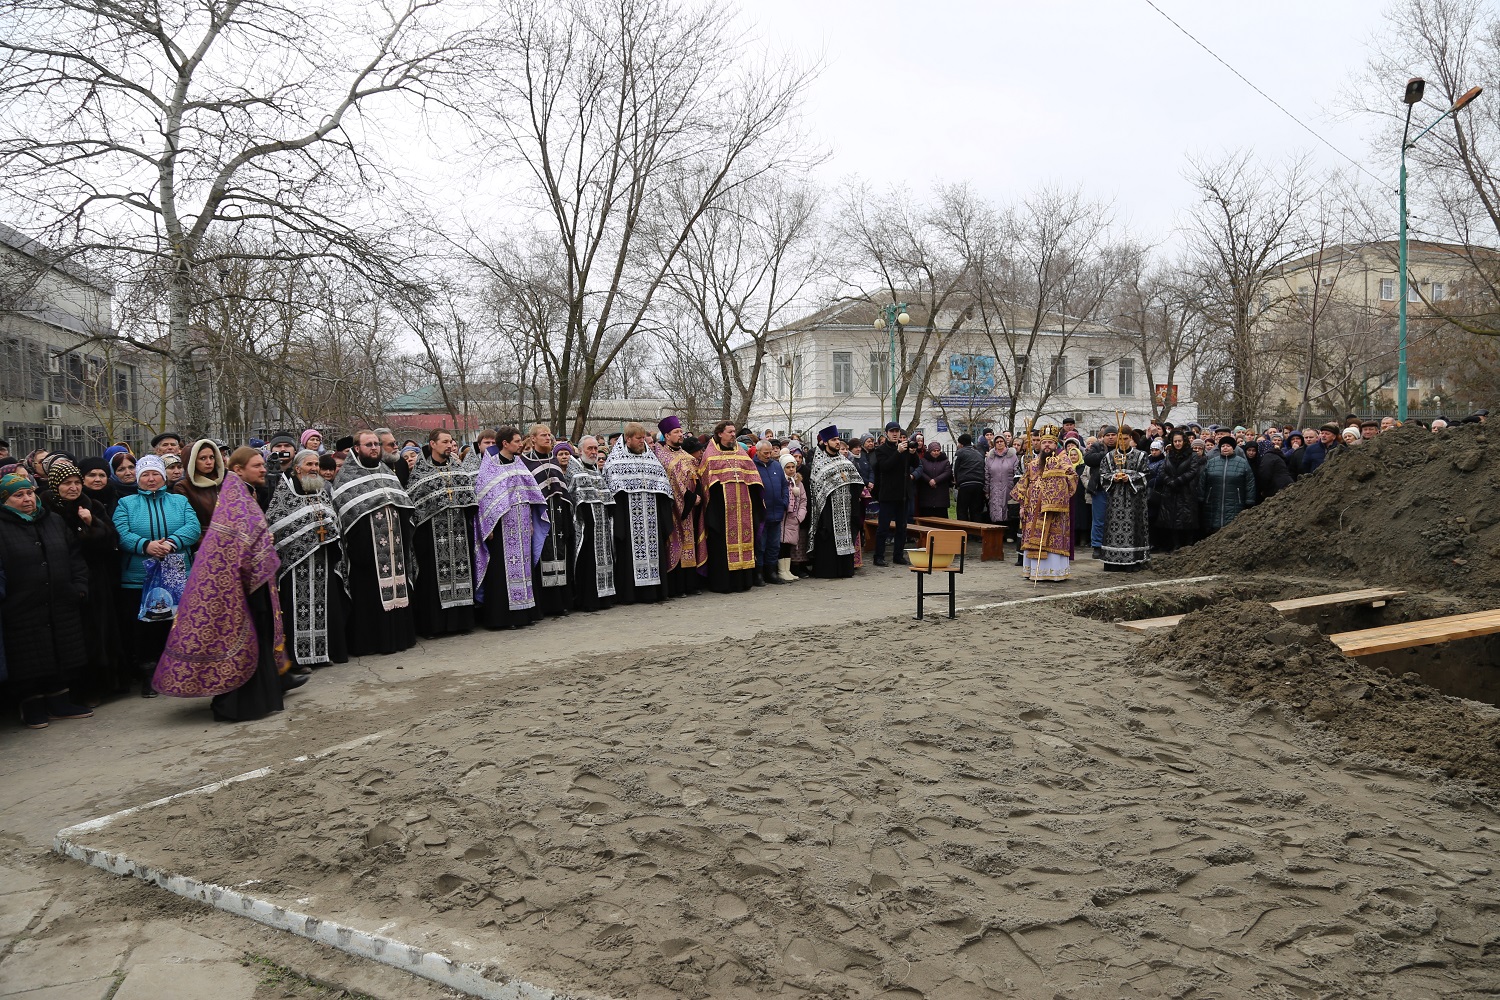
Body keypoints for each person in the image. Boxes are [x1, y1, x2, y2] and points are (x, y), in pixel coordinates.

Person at [153, 448, 294, 721]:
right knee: (244, 638)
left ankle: (261, 697)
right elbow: (238, 541)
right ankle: (236, 705)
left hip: (252, 580)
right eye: (256, 466)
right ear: (238, 469)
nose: (263, 469)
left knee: (259, 636)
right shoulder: (234, 498)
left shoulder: (242, 493)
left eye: (263, 465)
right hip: (241, 584)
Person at [0, 471, 93, 728]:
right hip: (20, 605)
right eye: (18, 495)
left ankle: (60, 702)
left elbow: (75, 557)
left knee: (60, 649)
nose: (27, 499)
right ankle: (31, 705)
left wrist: (79, 587)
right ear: (4, 500)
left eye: (29, 493)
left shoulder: (52, 520)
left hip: (61, 599)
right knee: (27, 657)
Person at [112, 455, 202, 697]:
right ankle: (149, 674)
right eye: (145, 475)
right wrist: (146, 546)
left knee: (174, 623)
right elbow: (121, 533)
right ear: (138, 478)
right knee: (144, 628)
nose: (151, 479)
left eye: (155, 474)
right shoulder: (126, 504)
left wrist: (171, 543)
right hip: (139, 575)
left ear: (163, 476)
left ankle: (178, 671)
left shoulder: (179, 501)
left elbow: (193, 527)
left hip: (176, 571)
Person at [44, 459, 124, 702]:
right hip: (60, 579)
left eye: (77, 482)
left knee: (97, 632)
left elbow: (112, 540)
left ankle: (100, 686)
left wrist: (92, 524)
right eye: (67, 483)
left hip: (94, 578)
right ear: (55, 484)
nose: (73, 487)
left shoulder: (92, 506)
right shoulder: (46, 507)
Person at [331, 430, 416, 655]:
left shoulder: (387, 473)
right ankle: (372, 642)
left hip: (395, 547)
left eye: (376, 444)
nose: (374, 448)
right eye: (368, 444)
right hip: (365, 552)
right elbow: (344, 515)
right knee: (370, 594)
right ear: (356, 449)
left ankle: (400, 637)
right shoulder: (346, 478)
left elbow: (404, 505)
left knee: (397, 588)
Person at [265, 446, 349, 669]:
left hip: (323, 559)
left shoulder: (322, 491)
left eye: (316, 464)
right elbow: (277, 523)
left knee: (325, 606)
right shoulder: (285, 492)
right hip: (295, 562)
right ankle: (299, 658)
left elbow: (333, 520)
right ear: (297, 468)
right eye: (309, 464)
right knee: (295, 609)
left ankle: (323, 653)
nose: (314, 468)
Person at [473, 427, 549, 629]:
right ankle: (503, 617)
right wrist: (486, 527)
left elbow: (530, 495)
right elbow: (483, 498)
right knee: (501, 571)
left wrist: (531, 521)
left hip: (522, 526)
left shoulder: (519, 463)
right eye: (516, 441)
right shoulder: (490, 467)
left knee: (524, 568)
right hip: (501, 527)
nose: (520, 444)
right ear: (505, 443)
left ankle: (525, 613)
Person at [405, 430, 478, 638]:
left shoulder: (458, 469)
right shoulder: (421, 472)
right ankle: (434, 626)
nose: (449, 445)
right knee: (432, 578)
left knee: (461, 571)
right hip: (431, 535)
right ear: (432, 444)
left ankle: (461, 622)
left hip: (459, 532)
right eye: (445, 441)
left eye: (450, 441)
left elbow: (470, 498)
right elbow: (415, 503)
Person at [602, 423, 674, 603]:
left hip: (652, 520)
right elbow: (612, 495)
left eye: (644, 438)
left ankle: (655, 592)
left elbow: (664, 491)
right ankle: (630, 594)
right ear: (628, 439)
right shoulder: (615, 462)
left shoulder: (652, 461)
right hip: (628, 521)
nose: (643, 441)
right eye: (638, 438)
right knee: (628, 556)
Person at [697, 421, 763, 593]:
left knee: (745, 541)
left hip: (744, 510)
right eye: (730, 432)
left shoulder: (741, 453)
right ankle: (723, 584)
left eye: (734, 431)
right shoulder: (710, 455)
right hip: (721, 512)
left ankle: (743, 581)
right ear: (720, 433)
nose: (733, 434)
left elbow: (753, 478)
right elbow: (706, 486)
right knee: (721, 546)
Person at [1011, 427, 1078, 582]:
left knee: (1052, 539)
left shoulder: (1063, 461)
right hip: (1033, 510)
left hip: (1054, 512)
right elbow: (1023, 484)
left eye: (1050, 442)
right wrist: (1022, 505)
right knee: (1032, 538)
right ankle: (1034, 571)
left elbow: (1073, 479)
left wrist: (1054, 496)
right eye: (1044, 442)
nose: (1047, 445)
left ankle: (1054, 572)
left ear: (1056, 444)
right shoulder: (1034, 463)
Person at [650, 416, 702, 597]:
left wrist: (697, 496)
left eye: (681, 431)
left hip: (690, 508)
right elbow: (670, 483)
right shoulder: (661, 456)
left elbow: (697, 477)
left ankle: (690, 584)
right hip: (672, 509)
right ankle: (676, 587)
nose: (680, 434)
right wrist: (690, 497)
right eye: (676, 432)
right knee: (674, 544)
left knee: (690, 544)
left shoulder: (687, 456)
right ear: (666, 435)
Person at [805, 425, 863, 579]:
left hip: (846, 507)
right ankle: (828, 571)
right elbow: (816, 490)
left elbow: (857, 483)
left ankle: (845, 570)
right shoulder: (819, 464)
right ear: (825, 442)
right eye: (833, 439)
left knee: (847, 535)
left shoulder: (845, 461)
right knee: (828, 537)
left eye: (838, 439)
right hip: (827, 509)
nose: (837, 442)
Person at [568, 436, 616, 612]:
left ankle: (604, 598)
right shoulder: (575, 470)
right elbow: (576, 499)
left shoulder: (596, 471)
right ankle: (589, 600)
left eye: (596, 448)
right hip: (585, 527)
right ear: (580, 450)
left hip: (602, 526)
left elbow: (606, 498)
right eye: (590, 449)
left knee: (604, 561)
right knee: (587, 564)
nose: (594, 452)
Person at [1097, 425, 1151, 572]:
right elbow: (1102, 475)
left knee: (1133, 528)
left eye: (1125, 439)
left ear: (1131, 438)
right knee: (1113, 530)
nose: (1122, 442)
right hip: (1115, 500)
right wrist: (1113, 477)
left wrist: (1130, 478)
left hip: (1134, 500)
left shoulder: (1141, 456)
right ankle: (1112, 562)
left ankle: (1133, 561)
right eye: (1120, 439)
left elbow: (1146, 474)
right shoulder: (1109, 456)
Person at [870, 422, 917, 566]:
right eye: (892, 431)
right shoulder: (881, 450)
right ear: (886, 433)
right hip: (888, 494)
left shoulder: (904, 447)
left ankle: (898, 555)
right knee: (883, 528)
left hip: (903, 494)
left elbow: (915, 464)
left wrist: (912, 453)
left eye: (897, 431)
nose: (895, 434)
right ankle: (879, 556)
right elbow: (885, 467)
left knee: (902, 527)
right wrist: (898, 452)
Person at [1200, 435, 1257, 535]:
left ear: (1233, 448)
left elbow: (1250, 482)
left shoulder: (1242, 463)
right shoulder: (1212, 462)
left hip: (1236, 503)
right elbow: (1202, 481)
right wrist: (1201, 497)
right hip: (1213, 502)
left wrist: (1250, 500)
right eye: (1223, 446)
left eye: (1228, 446)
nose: (1225, 448)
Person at [1154, 430, 1200, 554]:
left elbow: (1192, 471)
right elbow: (1162, 470)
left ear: (1184, 441)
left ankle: (1188, 545)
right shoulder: (1169, 454)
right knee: (1172, 519)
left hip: (1186, 491)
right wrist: (1169, 481)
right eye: (1175, 441)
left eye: (1180, 441)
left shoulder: (1192, 455)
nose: (1178, 443)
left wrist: (1178, 481)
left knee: (1187, 519)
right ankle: (1175, 545)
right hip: (1171, 491)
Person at [752, 440, 788, 586]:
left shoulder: (777, 466)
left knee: (774, 545)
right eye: (765, 453)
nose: (768, 455)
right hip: (761, 514)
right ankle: (759, 573)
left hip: (777, 511)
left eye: (770, 452)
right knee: (761, 545)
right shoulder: (752, 467)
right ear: (758, 452)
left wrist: (784, 501)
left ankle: (771, 572)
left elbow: (784, 486)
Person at [1082, 425, 1118, 559]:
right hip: (1100, 488)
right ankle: (1097, 546)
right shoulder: (1097, 446)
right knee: (1099, 519)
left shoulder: (1122, 448)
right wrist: (1108, 456)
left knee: (1116, 519)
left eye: (1113, 435)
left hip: (1117, 489)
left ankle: (1114, 544)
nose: (1110, 438)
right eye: (1108, 435)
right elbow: (1088, 459)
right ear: (1103, 437)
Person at [174, 438, 226, 530]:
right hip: (202, 536)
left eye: (212, 457)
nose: (209, 462)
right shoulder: (183, 487)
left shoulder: (224, 481)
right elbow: (188, 522)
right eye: (203, 458)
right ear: (191, 461)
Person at [779, 452, 806, 583]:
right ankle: (781, 571)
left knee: (788, 545)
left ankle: (787, 570)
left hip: (792, 519)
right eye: (788, 467)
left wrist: (799, 517)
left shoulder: (798, 483)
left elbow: (803, 501)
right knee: (781, 545)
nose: (791, 469)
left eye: (793, 467)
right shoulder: (781, 481)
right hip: (782, 519)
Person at [984, 436, 1019, 535]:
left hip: (1008, 487)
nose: (999, 443)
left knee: (1008, 509)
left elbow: (1016, 472)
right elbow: (987, 474)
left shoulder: (1012, 456)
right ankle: (997, 534)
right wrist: (987, 490)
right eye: (997, 442)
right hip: (994, 487)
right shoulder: (990, 458)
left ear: (1005, 443)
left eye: (1001, 441)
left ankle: (1009, 534)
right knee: (995, 510)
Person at [952, 433, 987, 522]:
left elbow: (954, 468)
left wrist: (956, 482)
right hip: (979, 484)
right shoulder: (978, 453)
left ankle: (963, 529)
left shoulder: (959, 453)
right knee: (976, 511)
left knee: (962, 510)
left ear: (961, 444)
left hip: (965, 484)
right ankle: (976, 530)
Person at [1243, 439, 1291, 503]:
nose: (1251, 453)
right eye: (1249, 450)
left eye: (1254, 450)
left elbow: (1265, 475)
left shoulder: (1267, 457)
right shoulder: (1273, 455)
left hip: (1278, 487)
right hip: (1283, 485)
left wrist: (1264, 490)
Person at [915, 440, 952, 519]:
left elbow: (947, 472)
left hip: (941, 496)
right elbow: (921, 472)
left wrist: (936, 480)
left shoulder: (945, 461)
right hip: (926, 497)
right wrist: (929, 480)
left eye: (938, 451)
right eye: (934, 451)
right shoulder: (923, 461)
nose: (936, 452)